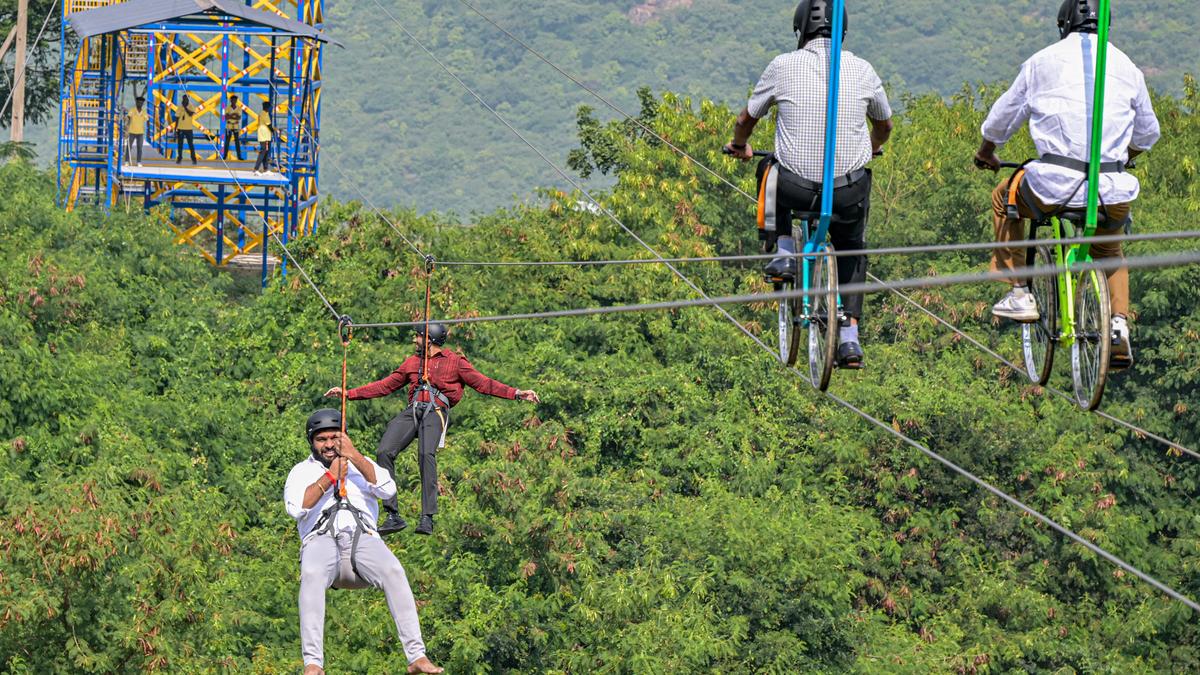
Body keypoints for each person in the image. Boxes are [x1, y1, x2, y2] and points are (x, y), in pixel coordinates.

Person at [974, 0, 1160, 368]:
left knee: (1003, 196)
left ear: (1064, 24)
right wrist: (1125, 156)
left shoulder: (1042, 61)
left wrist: (987, 152)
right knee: (1110, 250)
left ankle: (1019, 291)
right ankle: (1119, 324)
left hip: (1052, 188)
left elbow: (1001, 120)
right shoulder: (1126, 66)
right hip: (1111, 190)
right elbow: (1148, 133)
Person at [725, 0, 893, 368]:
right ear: (843, 31)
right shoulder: (863, 69)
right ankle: (849, 339)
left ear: (800, 29)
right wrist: (873, 148)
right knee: (852, 248)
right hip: (847, 191)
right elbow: (884, 125)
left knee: (769, 167)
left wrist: (739, 146)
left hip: (795, 188)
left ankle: (783, 249)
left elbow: (745, 120)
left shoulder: (782, 65)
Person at [325, 323, 541, 536]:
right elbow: (385, 385)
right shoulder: (412, 362)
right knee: (384, 451)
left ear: (429, 339)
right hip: (414, 410)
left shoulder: (455, 362)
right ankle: (393, 514)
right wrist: (348, 393)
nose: (414, 340)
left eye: (417, 336)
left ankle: (427, 516)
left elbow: (484, 383)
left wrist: (516, 393)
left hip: (435, 411)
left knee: (425, 453)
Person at [284, 409, 444, 675]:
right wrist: (330, 477)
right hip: (321, 541)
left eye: (334, 438)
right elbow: (296, 508)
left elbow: (388, 489)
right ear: (311, 442)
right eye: (321, 439)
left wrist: (355, 456)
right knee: (310, 574)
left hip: (362, 538)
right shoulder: (300, 472)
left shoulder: (360, 463)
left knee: (394, 570)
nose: (328, 445)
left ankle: (416, 656)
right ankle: (313, 663)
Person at [126, 95, 148, 166]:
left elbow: (147, 120)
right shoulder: (132, 110)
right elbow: (128, 119)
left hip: (140, 132)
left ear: (142, 104)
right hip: (132, 131)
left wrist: (147, 133)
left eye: (141, 103)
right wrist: (126, 129)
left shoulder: (144, 112)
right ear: (136, 103)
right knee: (129, 146)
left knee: (140, 148)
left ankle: (139, 161)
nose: (140, 104)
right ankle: (127, 161)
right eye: (138, 102)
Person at [253, 101, 274, 175]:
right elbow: (269, 125)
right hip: (263, 134)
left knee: (266, 152)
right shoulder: (264, 114)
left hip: (266, 135)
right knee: (263, 151)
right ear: (267, 107)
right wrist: (274, 131)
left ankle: (265, 169)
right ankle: (256, 169)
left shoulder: (264, 113)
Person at [223, 94, 244, 161]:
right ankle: (225, 156)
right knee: (227, 142)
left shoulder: (239, 108)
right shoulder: (227, 108)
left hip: (236, 126)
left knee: (237, 142)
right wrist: (234, 115)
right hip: (229, 126)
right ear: (231, 100)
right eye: (233, 100)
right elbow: (226, 117)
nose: (234, 101)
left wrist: (230, 115)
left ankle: (239, 156)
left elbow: (238, 117)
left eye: (235, 100)